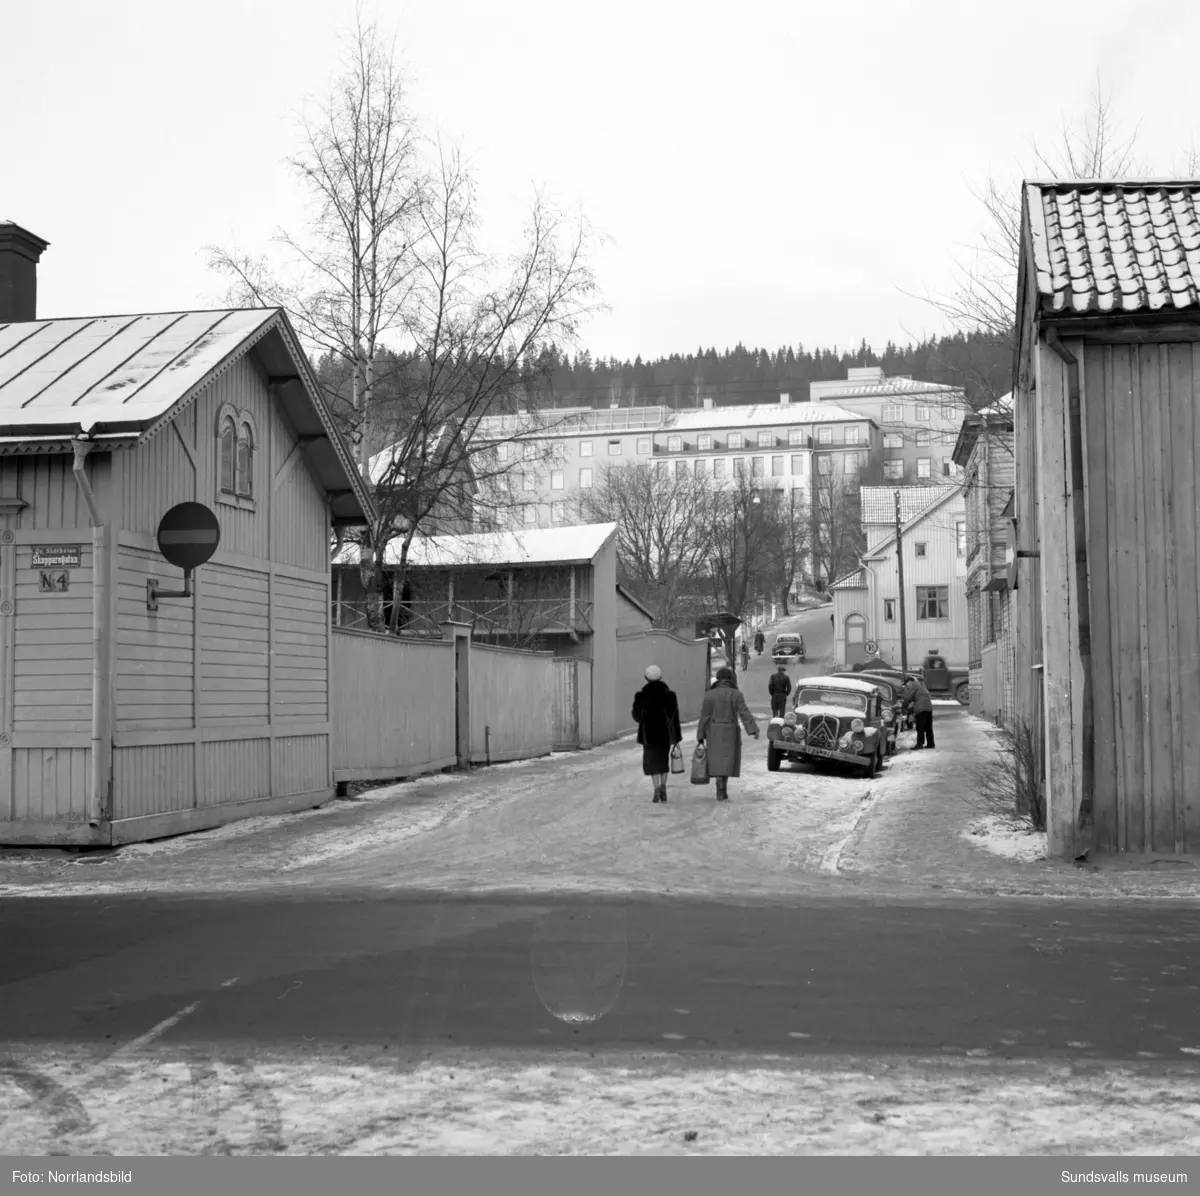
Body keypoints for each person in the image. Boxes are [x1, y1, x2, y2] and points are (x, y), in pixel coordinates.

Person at [696, 665, 760, 802]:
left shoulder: (709, 694)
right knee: (727, 760)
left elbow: (704, 716)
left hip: (713, 731)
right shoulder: (736, 694)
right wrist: (753, 729)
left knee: (717, 759)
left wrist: (700, 735)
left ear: (717, 679)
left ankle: (719, 783)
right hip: (730, 730)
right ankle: (723, 785)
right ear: (730, 678)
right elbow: (744, 712)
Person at [632, 665, 683, 803]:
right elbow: (675, 717)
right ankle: (663, 787)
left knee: (652, 762)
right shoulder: (670, 695)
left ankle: (655, 789)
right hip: (664, 734)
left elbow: (636, 716)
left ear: (646, 678)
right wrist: (676, 737)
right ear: (661, 677)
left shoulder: (641, 696)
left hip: (648, 735)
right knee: (663, 761)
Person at [901, 676, 935, 750]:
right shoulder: (921, 686)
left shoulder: (913, 686)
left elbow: (907, 698)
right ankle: (931, 743)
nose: (906, 686)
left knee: (920, 727)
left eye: (906, 684)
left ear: (909, 682)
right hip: (929, 708)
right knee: (928, 727)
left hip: (921, 709)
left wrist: (903, 707)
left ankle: (919, 744)